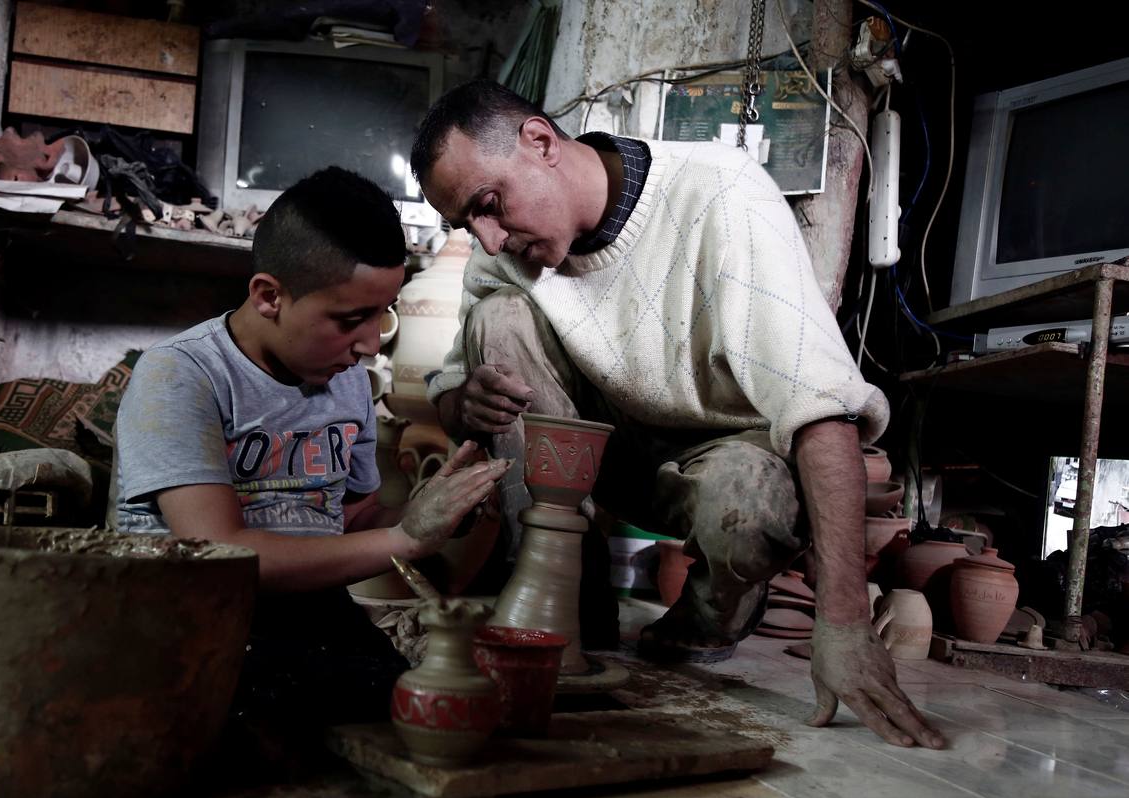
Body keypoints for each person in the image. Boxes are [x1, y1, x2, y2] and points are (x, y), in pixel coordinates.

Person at [408, 79, 944, 750]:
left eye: (489, 206)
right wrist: (468, 402)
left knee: (747, 506)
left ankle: (710, 613)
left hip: (717, 460)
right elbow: (453, 395)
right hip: (598, 451)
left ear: (540, 142)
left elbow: (821, 409)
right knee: (498, 319)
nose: (486, 240)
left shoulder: (719, 194)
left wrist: (842, 620)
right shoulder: (507, 258)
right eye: (467, 225)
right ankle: (563, 600)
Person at [114, 166, 510, 726]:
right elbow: (219, 556)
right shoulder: (181, 377)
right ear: (270, 296)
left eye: (382, 314)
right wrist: (406, 537)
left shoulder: (345, 377)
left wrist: (436, 513)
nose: (371, 345)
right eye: (351, 319)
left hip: (307, 611)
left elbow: (348, 518)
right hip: (187, 617)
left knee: (420, 713)